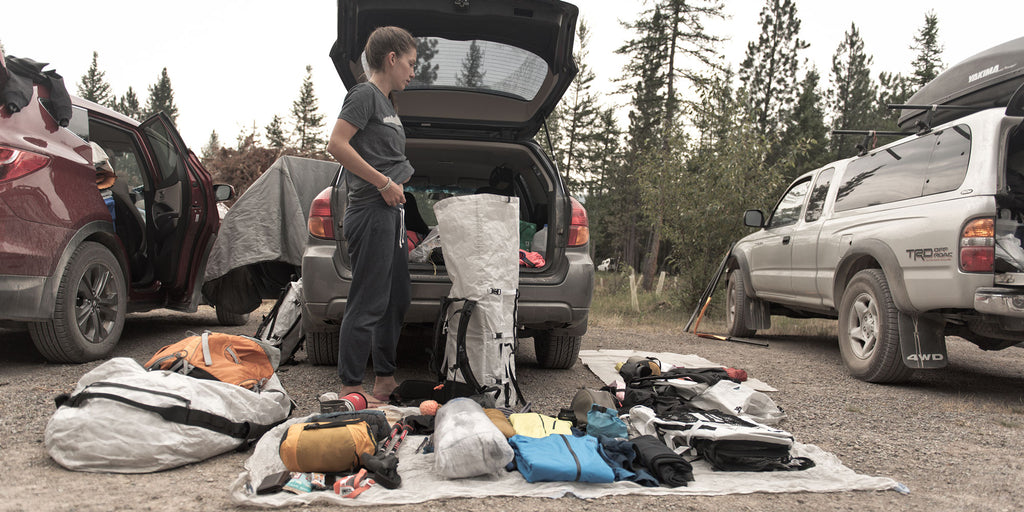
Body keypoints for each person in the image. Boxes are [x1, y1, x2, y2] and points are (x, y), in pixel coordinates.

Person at [326, 26, 417, 405]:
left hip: (391, 213)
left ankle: (384, 380)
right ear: (391, 58)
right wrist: (383, 183)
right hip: (371, 209)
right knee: (368, 300)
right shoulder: (364, 95)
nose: (414, 71)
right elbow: (336, 144)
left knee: (396, 299)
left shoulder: (387, 104)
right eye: (411, 63)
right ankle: (350, 386)